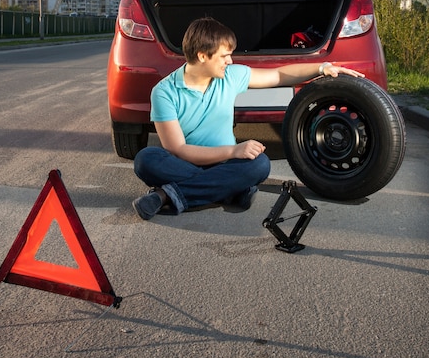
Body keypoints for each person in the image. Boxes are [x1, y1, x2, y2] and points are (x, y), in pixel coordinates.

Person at [133, 17, 364, 220]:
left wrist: (322, 67)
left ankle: (166, 195)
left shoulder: (230, 76)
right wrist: (233, 151)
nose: (230, 61)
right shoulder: (164, 91)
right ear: (203, 56)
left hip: (225, 166)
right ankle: (231, 189)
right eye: (224, 56)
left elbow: (279, 74)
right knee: (146, 159)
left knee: (259, 164)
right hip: (184, 164)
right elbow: (178, 149)